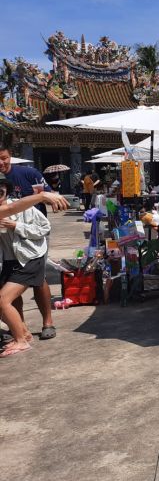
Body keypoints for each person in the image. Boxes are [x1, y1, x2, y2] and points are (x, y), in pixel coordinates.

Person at [0, 183, 68, 357]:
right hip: (8, 259)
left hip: (30, 256)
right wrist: (42, 196)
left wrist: (17, 226)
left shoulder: (26, 208)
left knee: (4, 299)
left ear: (7, 191)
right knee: (9, 300)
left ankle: (25, 338)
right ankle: (22, 332)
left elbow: (45, 228)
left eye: (1, 192)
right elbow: (10, 209)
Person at [0, 146, 57, 341]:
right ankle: (20, 326)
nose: (1, 163)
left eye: (4, 158)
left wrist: (19, 223)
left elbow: (49, 199)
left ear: (10, 156)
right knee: (9, 285)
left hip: (32, 243)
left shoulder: (28, 174)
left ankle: (47, 322)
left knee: (38, 280)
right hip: (8, 248)